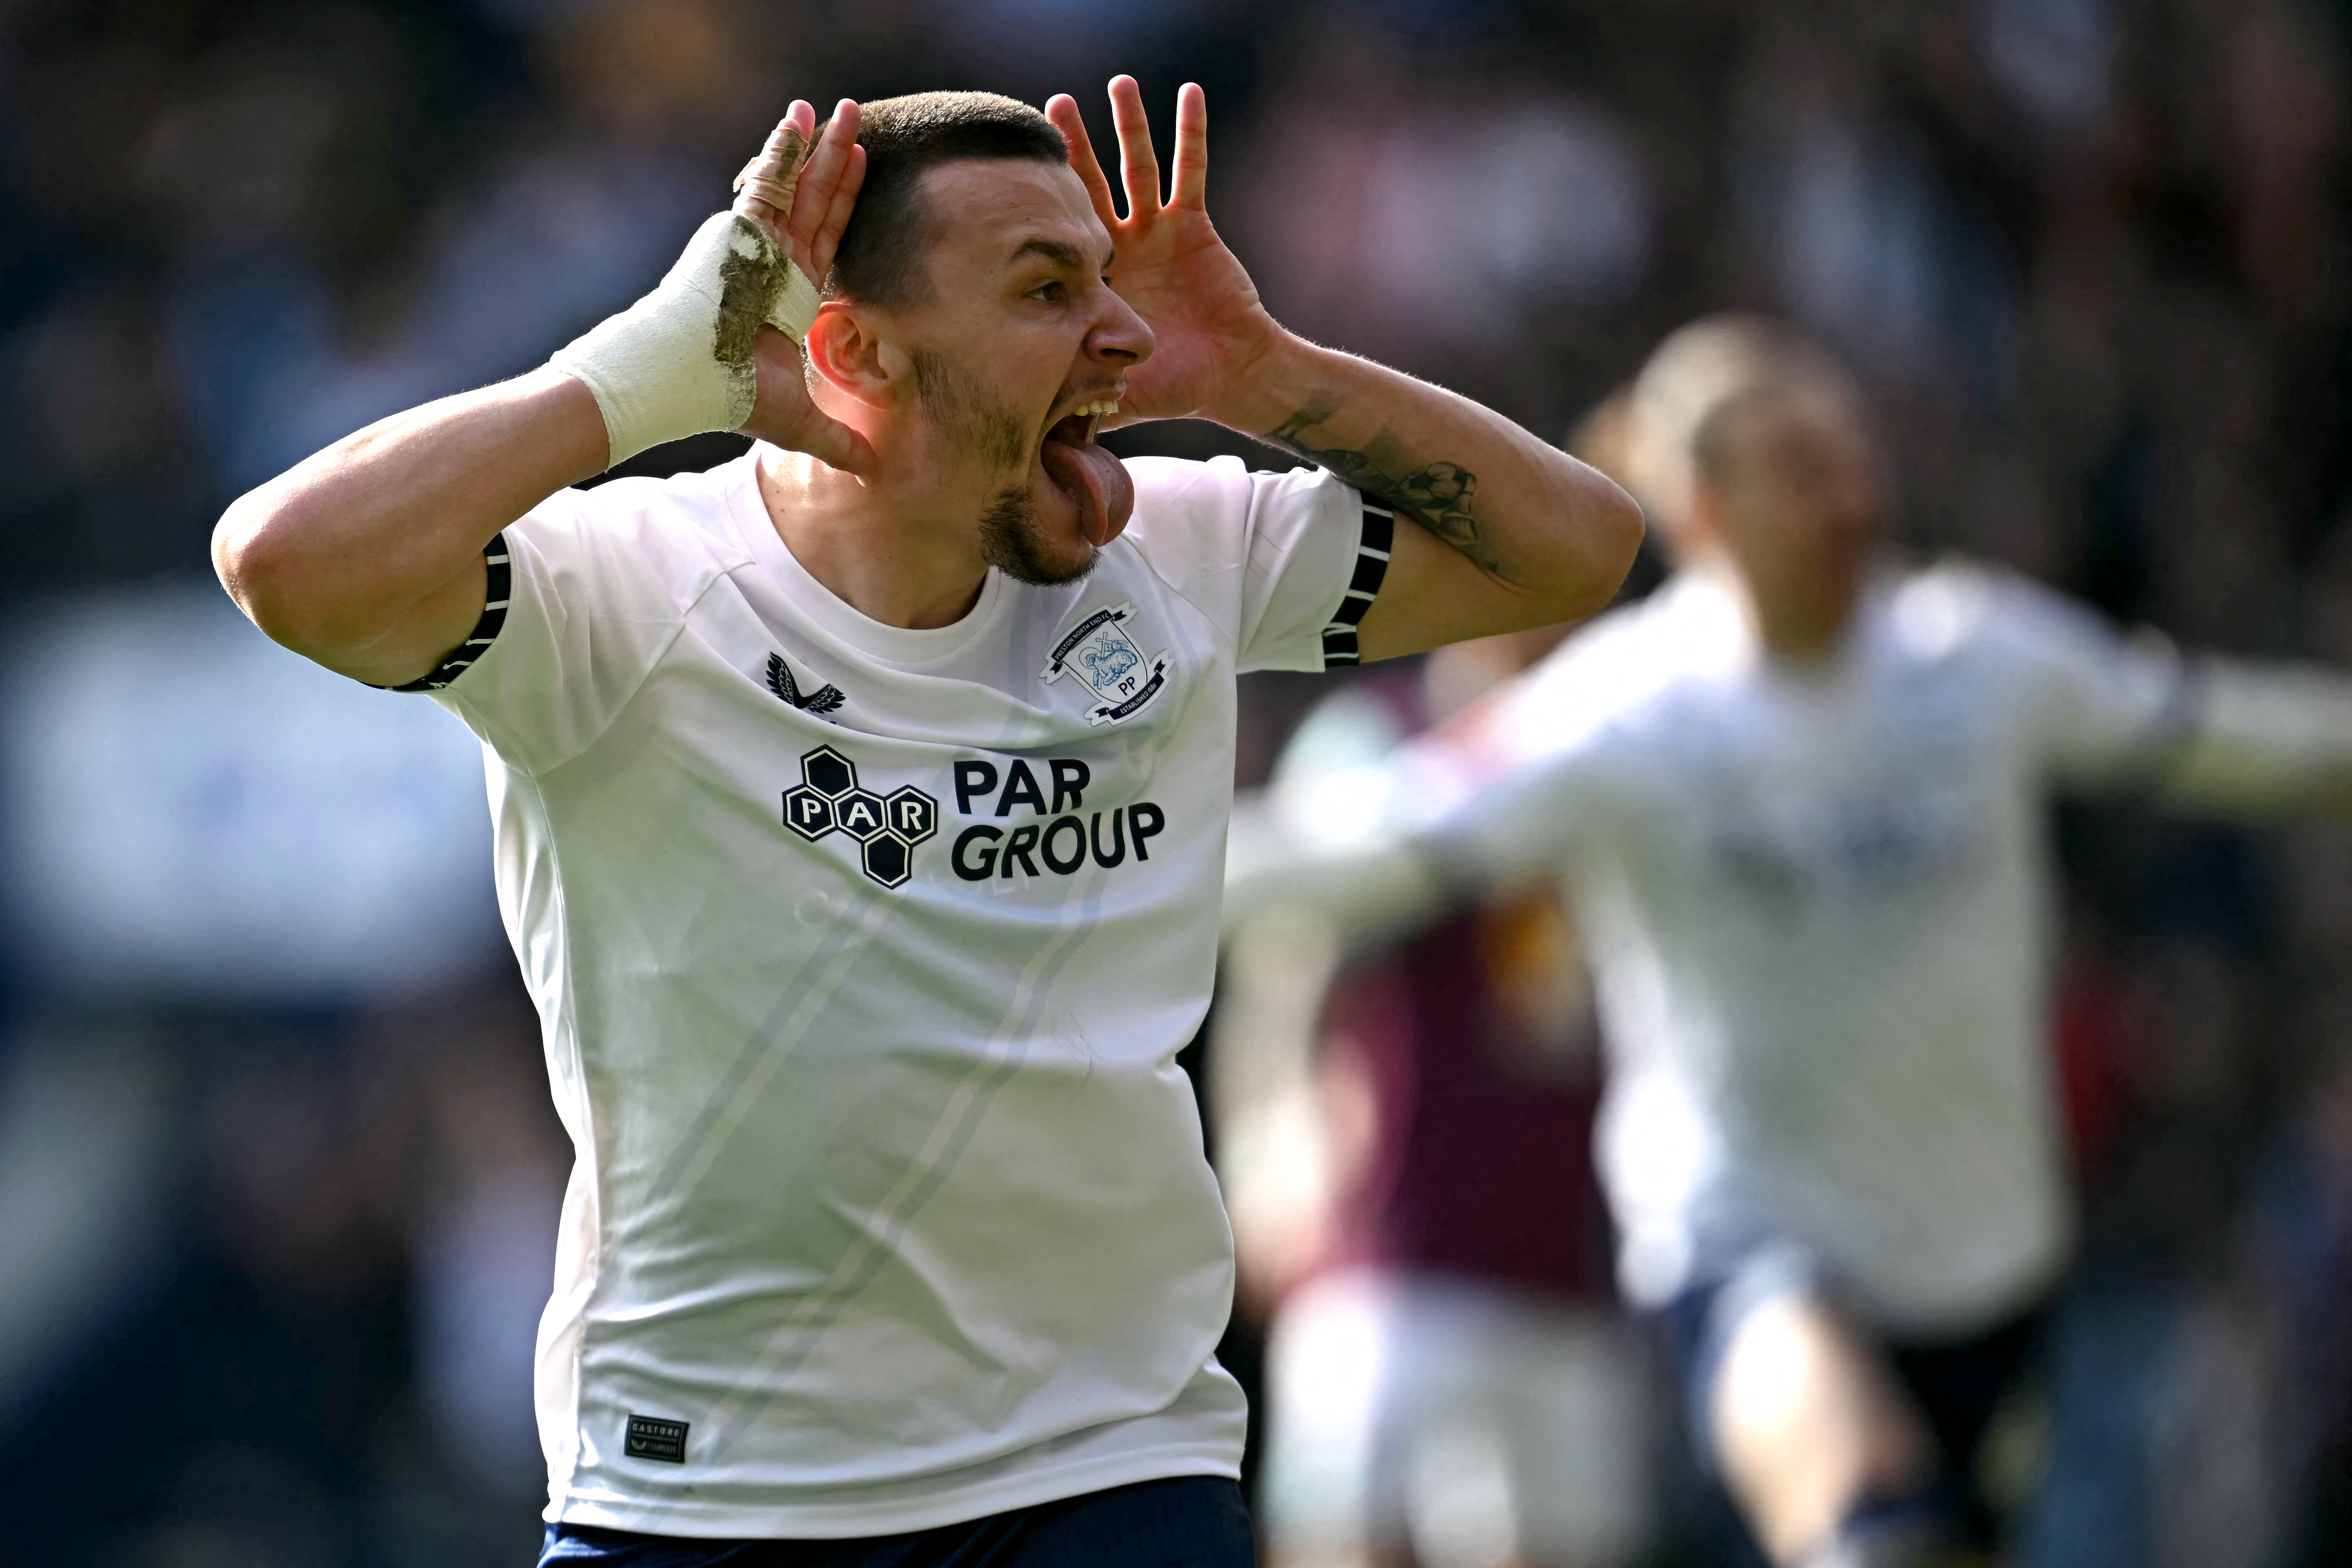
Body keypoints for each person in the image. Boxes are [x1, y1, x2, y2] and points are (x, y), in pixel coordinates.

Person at [210, 78, 1640, 1565]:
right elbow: (286, 567)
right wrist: (637, 376)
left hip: (1110, 1468)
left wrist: (1263, 373)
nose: (1122, 335)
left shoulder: (1182, 547)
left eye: (1102, 284)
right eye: (1044, 288)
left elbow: (1577, 551)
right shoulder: (626, 590)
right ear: (856, 352)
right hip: (709, 1494)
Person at [1226, 316, 2352, 1568]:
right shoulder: (1635, 711)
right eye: (1806, 470)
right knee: (1869, 1528)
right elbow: (1369, 850)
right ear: (1707, 510)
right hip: (1747, 1238)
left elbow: (2230, 738)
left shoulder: (1980, 659)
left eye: (1856, 457)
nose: (1854, 497)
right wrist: (1110, 874)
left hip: (1986, 1266)